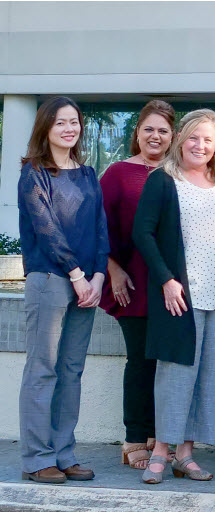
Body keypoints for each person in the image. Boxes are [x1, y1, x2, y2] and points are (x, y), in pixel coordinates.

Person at [132, 109, 215, 484]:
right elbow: (143, 234)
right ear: (180, 139)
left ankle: (186, 455)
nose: (200, 145)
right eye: (193, 137)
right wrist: (167, 280)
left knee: (207, 376)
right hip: (181, 295)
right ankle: (161, 451)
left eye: (208, 139)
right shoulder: (163, 180)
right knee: (175, 375)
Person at [18, 96, 109, 484]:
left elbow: (101, 228)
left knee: (71, 371)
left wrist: (100, 275)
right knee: (43, 370)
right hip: (52, 281)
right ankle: (37, 458)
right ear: (46, 129)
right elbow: (46, 228)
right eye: (61, 123)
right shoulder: (34, 173)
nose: (69, 129)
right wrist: (76, 274)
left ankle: (64, 453)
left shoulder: (88, 175)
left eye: (74, 122)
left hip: (88, 284)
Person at [99, 99, 174, 471]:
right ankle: (134, 437)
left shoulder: (179, 174)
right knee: (141, 361)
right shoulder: (117, 174)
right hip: (131, 280)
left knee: (168, 362)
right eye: (149, 129)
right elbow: (97, 228)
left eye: (163, 130)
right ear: (137, 133)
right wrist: (112, 269)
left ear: (173, 136)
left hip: (171, 283)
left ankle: (159, 437)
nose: (155, 136)